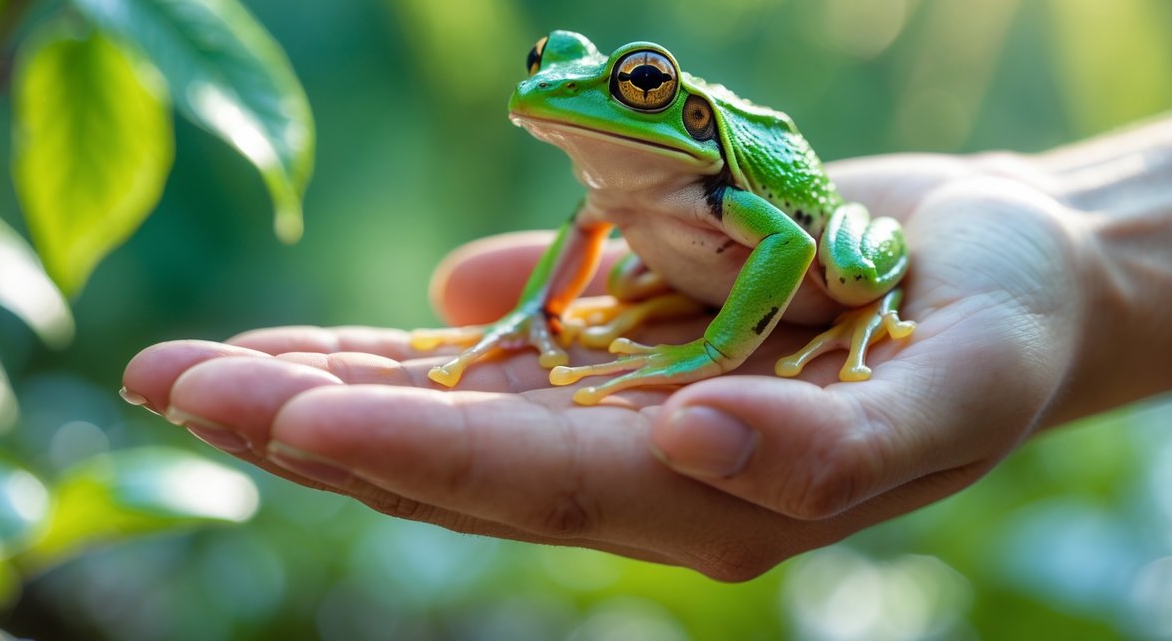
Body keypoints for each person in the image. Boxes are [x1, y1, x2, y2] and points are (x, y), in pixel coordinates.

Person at [121, 116, 1172, 581]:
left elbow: (792, 241)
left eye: (629, 84)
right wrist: (536, 316)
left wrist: (709, 354)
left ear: (668, 108)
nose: (572, 92)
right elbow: (580, 243)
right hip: (683, 258)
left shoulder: (717, 178)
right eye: (552, 73)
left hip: (814, 252)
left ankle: (787, 329)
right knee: (619, 274)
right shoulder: (607, 197)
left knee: (850, 271)